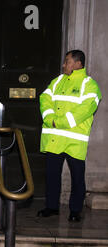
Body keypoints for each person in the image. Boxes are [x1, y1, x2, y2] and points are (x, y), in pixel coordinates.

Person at [37, 50, 101, 222]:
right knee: (51, 175)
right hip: (55, 138)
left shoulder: (89, 84)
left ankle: (75, 210)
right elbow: (45, 98)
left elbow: (86, 109)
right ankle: (51, 207)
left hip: (74, 141)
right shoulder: (57, 80)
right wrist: (50, 118)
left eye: (67, 61)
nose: (64, 65)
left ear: (78, 64)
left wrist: (60, 122)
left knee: (77, 177)